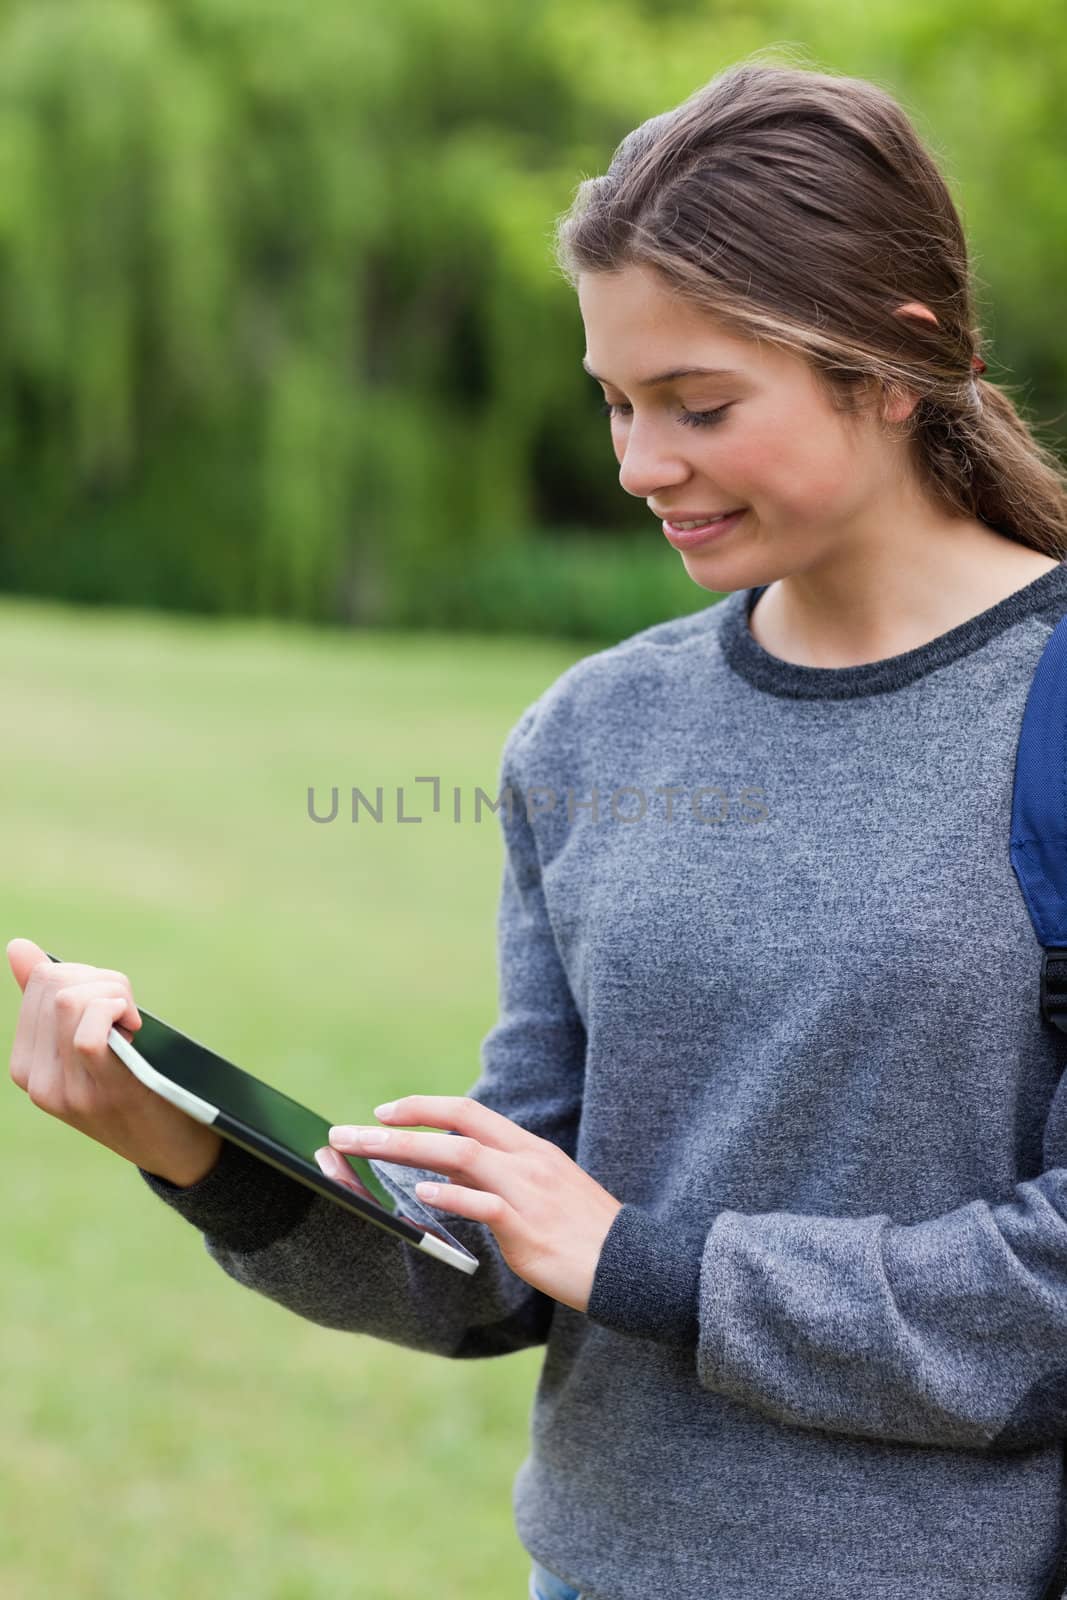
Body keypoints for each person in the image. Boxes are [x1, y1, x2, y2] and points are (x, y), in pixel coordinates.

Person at [9, 54, 1067, 1600]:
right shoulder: (592, 734)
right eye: (619, 404)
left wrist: (647, 1261)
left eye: (699, 405)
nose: (640, 467)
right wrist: (193, 1145)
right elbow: (513, 1256)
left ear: (894, 362)